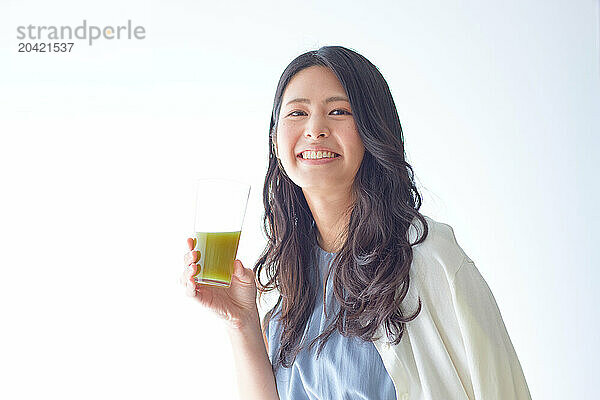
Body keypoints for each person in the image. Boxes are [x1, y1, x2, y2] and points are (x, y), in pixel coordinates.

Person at [181, 46, 532, 400]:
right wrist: (241, 322)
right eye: (297, 112)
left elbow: (501, 388)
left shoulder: (428, 258)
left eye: (338, 111)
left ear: (372, 130)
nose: (315, 129)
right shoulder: (279, 277)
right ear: (275, 141)